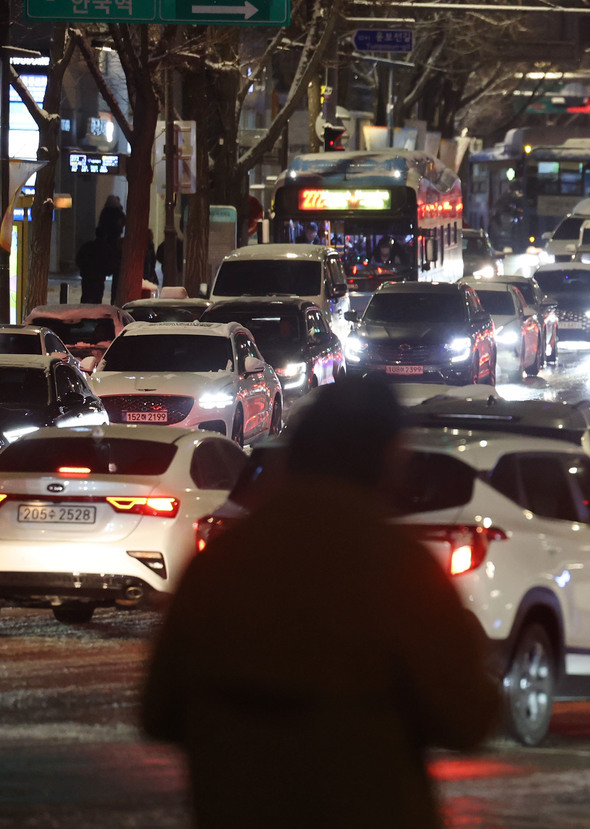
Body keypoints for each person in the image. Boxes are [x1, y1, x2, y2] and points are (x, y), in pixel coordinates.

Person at [141, 378, 499, 829]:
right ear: (388, 460)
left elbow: (159, 713)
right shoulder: (399, 569)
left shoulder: (222, 563)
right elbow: (466, 719)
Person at [76, 232, 106, 304]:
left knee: (86, 297)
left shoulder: (87, 246)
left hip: (87, 276)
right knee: (97, 300)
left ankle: (84, 310)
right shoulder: (104, 248)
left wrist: (84, 270)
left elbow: (79, 259)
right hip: (98, 278)